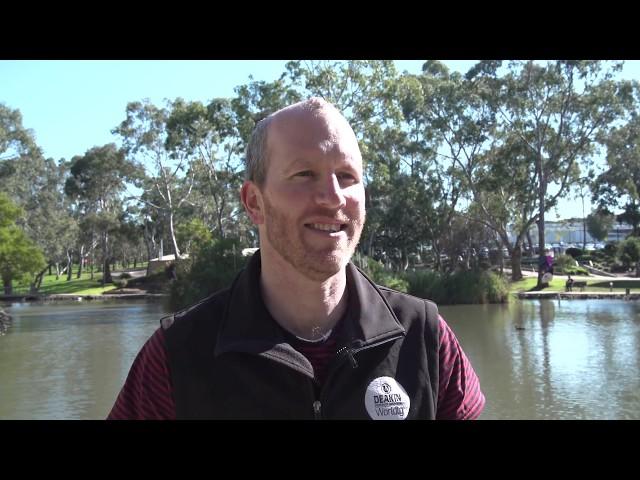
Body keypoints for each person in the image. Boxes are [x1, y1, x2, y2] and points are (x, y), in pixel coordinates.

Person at [107, 98, 485, 420]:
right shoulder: (178, 355)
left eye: (347, 176)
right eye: (305, 174)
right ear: (255, 202)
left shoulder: (426, 339)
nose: (333, 196)